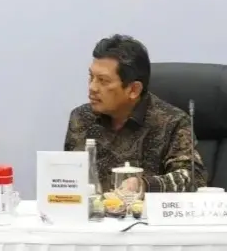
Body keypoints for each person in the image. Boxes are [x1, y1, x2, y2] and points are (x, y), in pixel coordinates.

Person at [64, 34, 206, 193]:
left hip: (145, 208)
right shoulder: (82, 117)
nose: (92, 87)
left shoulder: (172, 122)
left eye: (103, 81)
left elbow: (194, 179)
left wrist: (144, 185)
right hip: (94, 208)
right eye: (91, 77)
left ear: (133, 89)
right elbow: (69, 179)